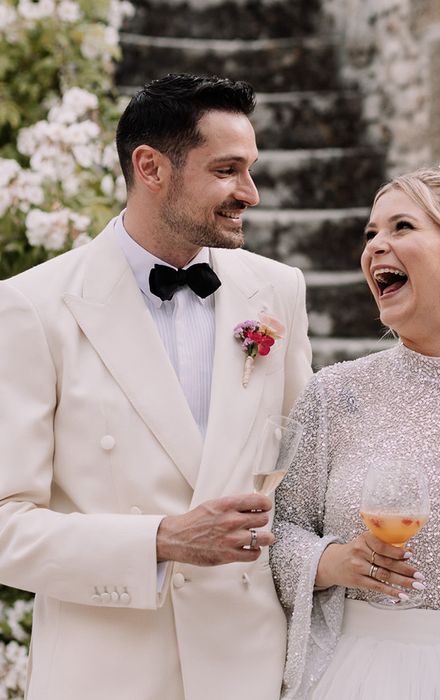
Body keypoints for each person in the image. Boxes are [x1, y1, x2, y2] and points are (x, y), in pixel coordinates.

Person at [0, 74, 312, 700]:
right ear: (150, 167)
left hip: (247, 668)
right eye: (227, 169)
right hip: (106, 674)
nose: (248, 193)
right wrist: (161, 541)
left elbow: (302, 483)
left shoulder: (277, 291)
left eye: (249, 169)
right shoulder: (32, 307)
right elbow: (6, 525)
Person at [270, 164, 440, 699]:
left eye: (401, 228)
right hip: (351, 673)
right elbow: (278, 529)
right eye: (371, 233)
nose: (375, 247)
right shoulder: (335, 394)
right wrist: (331, 561)